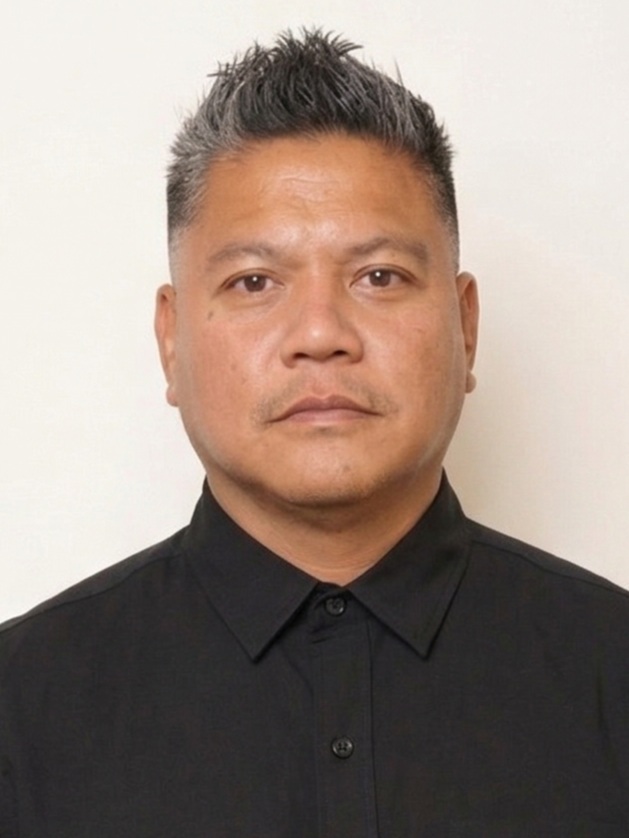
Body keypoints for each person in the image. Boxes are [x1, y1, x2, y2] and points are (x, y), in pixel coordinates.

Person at [1, 29, 628, 838]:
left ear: (464, 325)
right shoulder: (20, 710)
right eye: (254, 281)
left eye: (379, 276)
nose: (321, 334)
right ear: (171, 340)